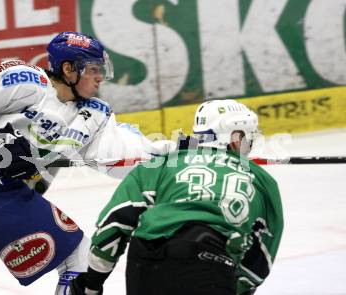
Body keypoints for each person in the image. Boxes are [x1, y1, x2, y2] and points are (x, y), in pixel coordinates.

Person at [0, 31, 175, 295]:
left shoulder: (90, 116)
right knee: (77, 260)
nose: (100, 77)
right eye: (92, 69)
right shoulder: (26, 79)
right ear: (68, 68)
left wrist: (185, 151)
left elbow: (131, 154)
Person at [70, 99, 284, 295]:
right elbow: (260, 258)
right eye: (248, 136)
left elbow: (115, 222)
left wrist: (92, 284)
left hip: (144, 258)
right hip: (209, 262)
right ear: (235, 138)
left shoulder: (161, 164)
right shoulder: (262, 181)